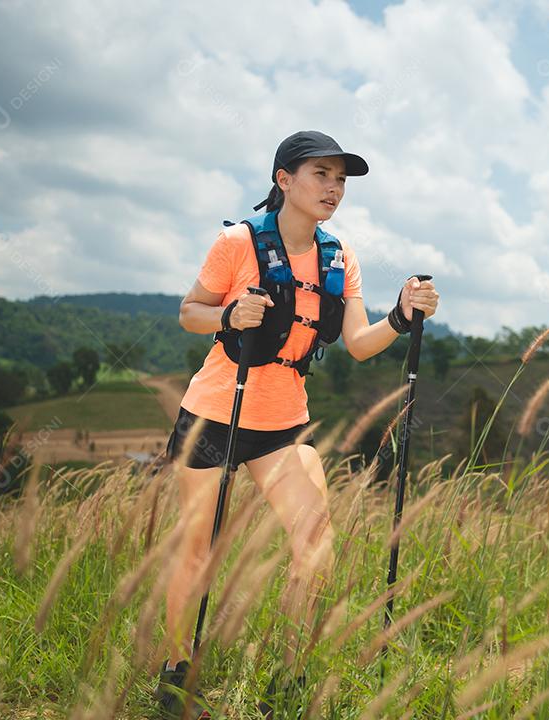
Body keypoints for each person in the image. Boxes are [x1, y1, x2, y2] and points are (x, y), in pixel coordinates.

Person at [155, 130, 439, 717]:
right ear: (284, 179)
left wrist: (401, 315)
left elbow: (359, 344)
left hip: (283, 423)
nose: (333, 188)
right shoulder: (237, 243)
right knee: (198, 551)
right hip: (214, 412)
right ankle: (176, 674)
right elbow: (189, 312)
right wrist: (229, 313)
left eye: (341, 179)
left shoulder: (340, 257)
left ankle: (288, 676)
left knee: (316, 547)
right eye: (321, 174)